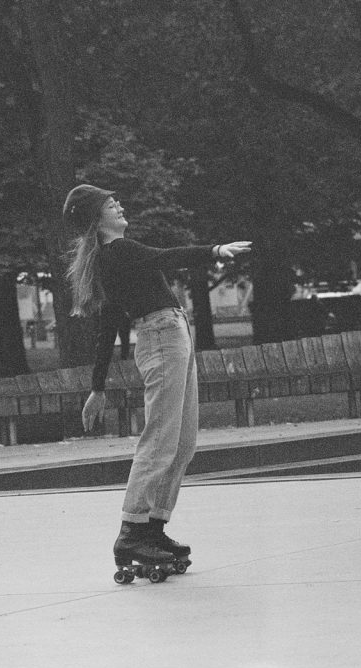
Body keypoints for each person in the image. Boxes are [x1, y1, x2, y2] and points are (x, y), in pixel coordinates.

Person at [64, 184, 251, 578]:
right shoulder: (119, 252)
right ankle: (131, 531)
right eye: (108, 203)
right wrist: (215, 251)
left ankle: (153, 527)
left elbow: (109, 324)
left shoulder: (114, 258)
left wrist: (98, 387)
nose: (118, 204)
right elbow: (166, 258)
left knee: (182, 443)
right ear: (97, 218)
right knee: (160, 440)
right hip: (162, 340)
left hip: (173, 337)